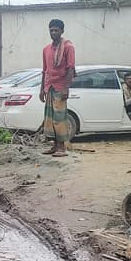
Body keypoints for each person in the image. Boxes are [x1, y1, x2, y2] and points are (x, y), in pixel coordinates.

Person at [39, 19, 76, 157]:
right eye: (51, 30)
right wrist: (41, 89)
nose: (53, 32)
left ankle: (62, 147)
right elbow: (44, 71)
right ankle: (54, 145)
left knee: (60, 118)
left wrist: (66, 88)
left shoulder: (68, 47)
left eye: (56, 30)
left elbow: (71, 68)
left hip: (61, 87)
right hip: (49, 87)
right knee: (49, 118)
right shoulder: (46, 49)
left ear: (62, 31)